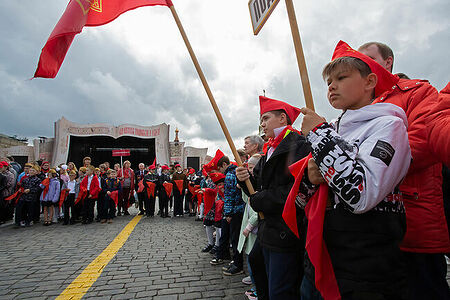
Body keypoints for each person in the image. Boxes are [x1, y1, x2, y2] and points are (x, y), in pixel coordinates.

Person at [297, 40, 411, 299]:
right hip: (319, 258)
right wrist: (311, 177)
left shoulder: (389, 126)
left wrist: (318, 134)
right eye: (328, 82)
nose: (332, 86)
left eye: (341, 77)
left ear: (370, 82)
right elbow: (301, 200)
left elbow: (360, 193)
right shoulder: (332, 129)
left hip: (365, 269)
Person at [358, 41, 450, 299]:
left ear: (388, 62)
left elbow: (420, 144)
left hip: (413, 219)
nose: (360, 64)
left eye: (368, 58)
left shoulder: (418, 91)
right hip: (373, 227)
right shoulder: (360, 104)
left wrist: (365, 167)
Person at [236, 95, 310, 300]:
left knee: (280, 290)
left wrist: (261, 199)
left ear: (283, 119)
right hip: (267, 231)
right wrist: (245, 179)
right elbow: (258, 184)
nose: (262, 124)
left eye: (266, 118)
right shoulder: (270, 148)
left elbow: (296, 190)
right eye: (262, 119)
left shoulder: (299, 145)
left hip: (286, 231)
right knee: (261, 277)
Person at [215, 154, 245, 276]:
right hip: (240, 208)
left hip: (235, 210)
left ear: (224, 165)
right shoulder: (235, 171)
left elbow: (229, 195)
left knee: (235, 238)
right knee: (235, 238)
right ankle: (236, 262)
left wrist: (228, 212)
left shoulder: (229, 175)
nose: (220, 172)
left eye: (219, 168)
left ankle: (238, 264)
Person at [237, 154, 262, 300]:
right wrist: (243, 185)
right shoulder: (252, 181)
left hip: (256, 227)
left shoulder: (261, 181)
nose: (250, 171)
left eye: (252, 168)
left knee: (255, 258)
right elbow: (247, 199)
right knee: (250, 256)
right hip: (249, 223)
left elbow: (259, 209)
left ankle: (257, 287)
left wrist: (250, 225)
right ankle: (254, 283)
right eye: (249, 168)